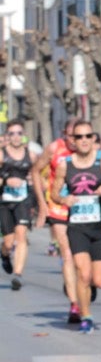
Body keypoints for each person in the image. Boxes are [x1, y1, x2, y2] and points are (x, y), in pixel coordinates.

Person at [49, 120, 101, 334]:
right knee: (82, 274)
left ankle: (88, 289)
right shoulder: (65, 164)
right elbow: (55, 193)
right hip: (77, 228)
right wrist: (63, 200)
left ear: (93, 138)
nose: (83, 140)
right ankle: (86, 316)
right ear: (73, 141)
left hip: (100, 227)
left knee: (99, 281)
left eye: (87, 136)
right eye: (79, 137)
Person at [31, 120, 79, 324]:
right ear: (64, 134)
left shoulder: (92, 149)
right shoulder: (54, 148)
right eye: (71, 136)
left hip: (84, 209)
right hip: (58, 207)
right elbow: (35, 171)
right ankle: (75, 304)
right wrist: (42, 205)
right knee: (67, 254)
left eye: (79, 136)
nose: (75, 141)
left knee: (83, 259)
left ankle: (83, 285)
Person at [1, 120, 36, 290]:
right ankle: (4, 254)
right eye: (12, 133)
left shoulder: (30, 155)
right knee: (8, 242)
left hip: (23, 199)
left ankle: (18, 274)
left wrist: (33, 182)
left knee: (21, 235)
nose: (16, 137)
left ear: (23, 136)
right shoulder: (1, 154)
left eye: (19, 133)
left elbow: (37, 175)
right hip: (5, 201)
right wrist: (6, 180)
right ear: (7, 136)